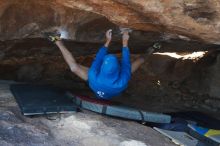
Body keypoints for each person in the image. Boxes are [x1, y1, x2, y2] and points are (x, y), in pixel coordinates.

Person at [44, 29, 157, 100]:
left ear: (102, 67)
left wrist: (108, 41)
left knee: (74, 68)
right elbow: (126, 62)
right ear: (118, 67)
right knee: (139, 61)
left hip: (96, 84)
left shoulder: (94, 74)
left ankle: (57, 41)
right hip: (109, 86)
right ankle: (151, 49)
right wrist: (125, 42)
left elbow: (98, 58)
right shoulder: (121, 81)